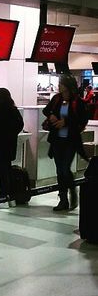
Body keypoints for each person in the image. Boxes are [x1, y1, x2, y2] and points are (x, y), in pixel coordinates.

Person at [43, 74, 88, 211]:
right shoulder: (57, 99)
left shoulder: (77, 102)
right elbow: (47, 110)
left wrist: (66, 122)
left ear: (67, 86)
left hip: (70, 141)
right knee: (59, 169)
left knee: (64, 168)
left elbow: (82, 120)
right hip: (57, 140)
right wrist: (51, 115)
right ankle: (63, 199)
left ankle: (72, 191)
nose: (59, 86)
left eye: (61, 83)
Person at [0, 88, 24, 207]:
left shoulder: (3, 113)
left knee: (3, 173)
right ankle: (9, 197)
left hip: (0, 147)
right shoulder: (14, 111)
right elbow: (19, 125)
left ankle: (3, 197)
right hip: (9, 146)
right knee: (6, 170)